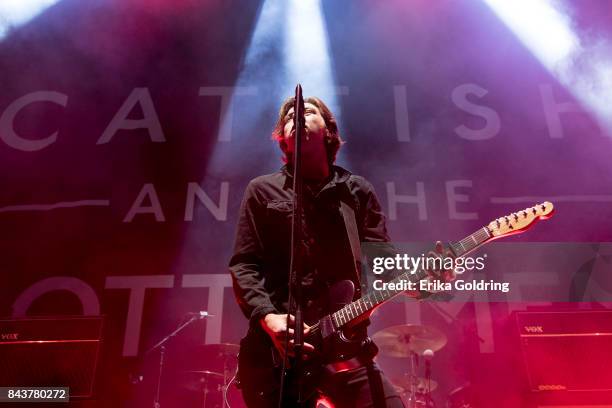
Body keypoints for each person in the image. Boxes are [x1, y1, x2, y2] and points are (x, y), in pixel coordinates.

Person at [229, 96, 454, 407]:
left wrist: (423, 284)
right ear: (282, 137)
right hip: (279, 357)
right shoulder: (262, 190)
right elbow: (244, 264)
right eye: (289, 117)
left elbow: (384, 267)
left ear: (329, 131)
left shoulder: (356, 191)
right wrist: (269, 318)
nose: (297, 117)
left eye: (307, 112)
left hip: (347, 350)